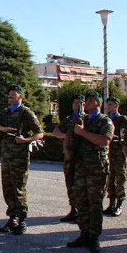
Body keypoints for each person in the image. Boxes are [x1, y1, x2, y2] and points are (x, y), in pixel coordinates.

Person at [0, 85, 44, 235]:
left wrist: (26, 140)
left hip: (20, 156)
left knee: (19, 188)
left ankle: (22, 219)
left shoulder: (26, 113)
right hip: (6, 156)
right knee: (8, 187)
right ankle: (12, 218)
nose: (10, 96)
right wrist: (3, 128)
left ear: (20, 97)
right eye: (9, 94)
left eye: (13, 94)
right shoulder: (5, 112)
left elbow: (40, 133)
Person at [65, 92, 114, 253]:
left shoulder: (104, 120)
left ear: (99, 103)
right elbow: (69, 137)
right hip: (80, 166)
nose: (87, 103)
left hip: (96, 168)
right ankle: (84, 233)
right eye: (87, 101)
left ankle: (94, 237)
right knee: (81, 201)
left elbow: (104, 140)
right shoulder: (81, 120)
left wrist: (83, 132)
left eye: (92, 100)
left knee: (95, 203)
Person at [52, 94, 86, 222]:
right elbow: (56, 130)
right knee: (70, 184)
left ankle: (83, 213)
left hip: (83, 158)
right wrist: (64, 136)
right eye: (75, 102)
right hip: (69, 156)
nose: (78, 105)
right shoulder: (68, 119)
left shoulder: (88, 119)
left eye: (81, 103)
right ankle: (73, 210)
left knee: (82, 187)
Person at [104, 96, 127, 217]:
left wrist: (118, 138)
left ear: (117, 105)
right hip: (108, 152)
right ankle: (111, 203)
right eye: (108, 104)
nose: (109, 107)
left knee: (120, 178)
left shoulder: (123, 119)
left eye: (111, 104)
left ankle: (119, 204)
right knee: (109, 178)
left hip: (120, 152)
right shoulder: (106, 119)